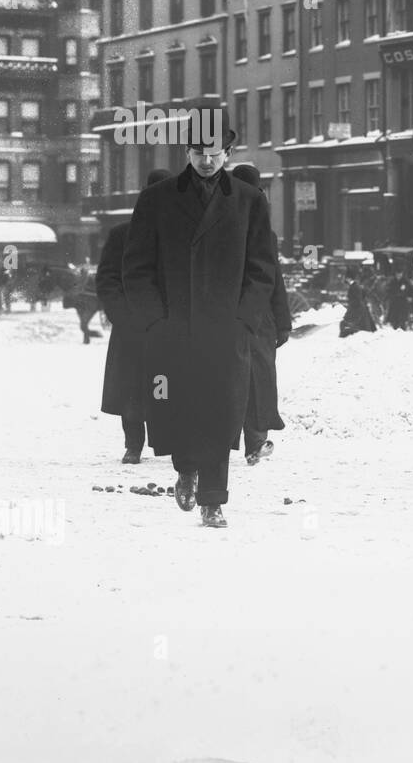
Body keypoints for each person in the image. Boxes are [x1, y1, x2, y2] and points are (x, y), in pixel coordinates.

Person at [122, 117, 278, 529]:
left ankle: (213, 499)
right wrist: (154, 318)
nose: (206, 161)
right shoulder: (157, 199)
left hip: (227, 330)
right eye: (198, 154)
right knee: (176, 407)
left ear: (228, 154)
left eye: (214, 155)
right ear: (185, 154)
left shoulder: (249, 201)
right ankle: (185, 468)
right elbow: (135, 267)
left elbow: (263, 268)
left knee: (223, 412)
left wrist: (245, 318)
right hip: (173, 329)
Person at [97, 168, 172, 463]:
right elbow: (107, 279)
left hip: (169, 328)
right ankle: (133, 444)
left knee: (165, 386)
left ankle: (167, 441)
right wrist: (122, 314)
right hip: (132, 328)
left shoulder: (182, 237)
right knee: (131, 388)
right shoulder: (121, 235)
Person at [230, 164, 291, 464]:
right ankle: (230, 442)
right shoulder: (221, 225)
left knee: (259, 379)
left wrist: (283, 322)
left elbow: (274, 278)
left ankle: (255, 442)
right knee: (237, 380)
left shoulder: (266, 233)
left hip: (260, 320)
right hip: (231, 316)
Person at [339, 265, 377, 337]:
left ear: (348, 278)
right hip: (359, 308)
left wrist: (351, 309)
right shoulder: (356, 286)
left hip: (356, 309)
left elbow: (356, 300)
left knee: (352, 325)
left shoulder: (354, 287)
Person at [71, 262, 100, 343]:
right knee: (84, 323)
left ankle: (88, 336)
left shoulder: (90, 277)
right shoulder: (80, 281)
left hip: (92, 299)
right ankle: (87, 337)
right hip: (84, 299)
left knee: (83, 324)